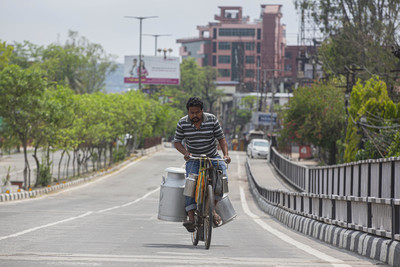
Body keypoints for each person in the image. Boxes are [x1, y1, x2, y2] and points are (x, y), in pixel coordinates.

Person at [174, 97, 231, 232]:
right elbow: (177, 142)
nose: (195, 115)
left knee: (222, 180)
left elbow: (221, 139)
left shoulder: (211, 120)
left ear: (202, 111)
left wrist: (226, 155)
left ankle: (212, 210)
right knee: (190, 183)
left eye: (197, 113)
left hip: (212, 156)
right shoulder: (182, 123)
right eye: (192, 113)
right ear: (188, 112)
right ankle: (191, 218)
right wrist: (185, 153)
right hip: (194, 158)